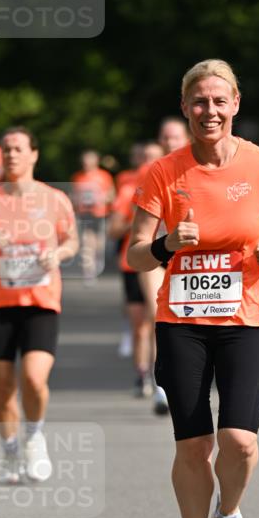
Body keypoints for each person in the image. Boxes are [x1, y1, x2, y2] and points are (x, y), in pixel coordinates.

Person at [128, 59, 259, 518]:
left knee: (240, 440)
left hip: (246, 316)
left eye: (219, 101)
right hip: (182, 322)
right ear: (185, 108)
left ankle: (228, 516)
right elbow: (135, 255)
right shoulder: (163, 172)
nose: (210, 111)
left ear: (235, 105)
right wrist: (165, 245)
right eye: (199, 102)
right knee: (193, 445)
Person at [0, 127, 78, 482]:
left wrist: (58, 254)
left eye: (17, 149)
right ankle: (10, 447)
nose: (10, 155)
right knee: (3, 386)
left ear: (33, 154)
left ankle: (35, 435)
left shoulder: (54, 199)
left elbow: (70, 241)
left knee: (33, 377)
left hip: (40, 302)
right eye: (6, 150)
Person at [137, 118, 191, 415]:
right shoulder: (153, 173)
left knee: (185, 321)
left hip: (191, 260)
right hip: (157, 255)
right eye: (165, 138)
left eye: (175, 137)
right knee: (159, 315)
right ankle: (161, 388)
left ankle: (189, 375)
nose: (170, 143)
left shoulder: (197, 170)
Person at [108, 141, 162, 397]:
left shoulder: (172, 185)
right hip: (130, 263)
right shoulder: (128, 188)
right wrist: (136, 218)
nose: (148, 163)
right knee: (140, 324)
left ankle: (157, 373)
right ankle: (141, 373)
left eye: (154, 158)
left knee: (156, 318)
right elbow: (113, 230)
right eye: (145, 157)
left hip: (159, 261)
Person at [70, 149, 114, 281]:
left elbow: (112, 195)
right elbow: (73, 196)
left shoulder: (104, 176)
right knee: (86, 242)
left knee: (99, 243)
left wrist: (101, 199)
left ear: (96, 161)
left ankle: (97, 262)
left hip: (100, 214)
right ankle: (89, 271)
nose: (86, 163)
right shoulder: (77, 177)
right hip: (84, 214)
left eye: (89, 160)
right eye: (84, 160)